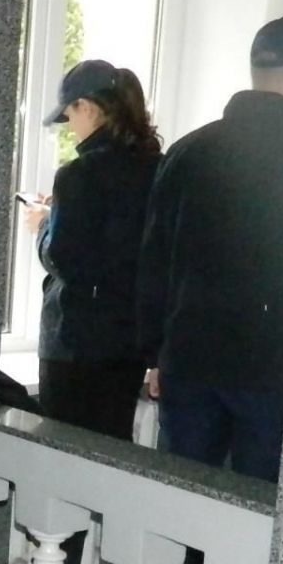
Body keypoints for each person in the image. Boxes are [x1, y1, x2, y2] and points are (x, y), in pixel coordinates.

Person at [137, 13, 283, 564]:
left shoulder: (192, 150)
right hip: (276, 369)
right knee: (262, 510)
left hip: (190, 360)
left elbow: (154, 263)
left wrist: (156, 354)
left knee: (179, 499)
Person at [35, 59, 163, 439]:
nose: (71, 127)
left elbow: (65, 257)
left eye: (70, 115)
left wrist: (43, 225)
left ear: (88, 108)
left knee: (63, 450)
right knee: (110, 449)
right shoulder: (160, 170)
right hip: (128, 343)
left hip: (75, 343)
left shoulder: (78, 174)